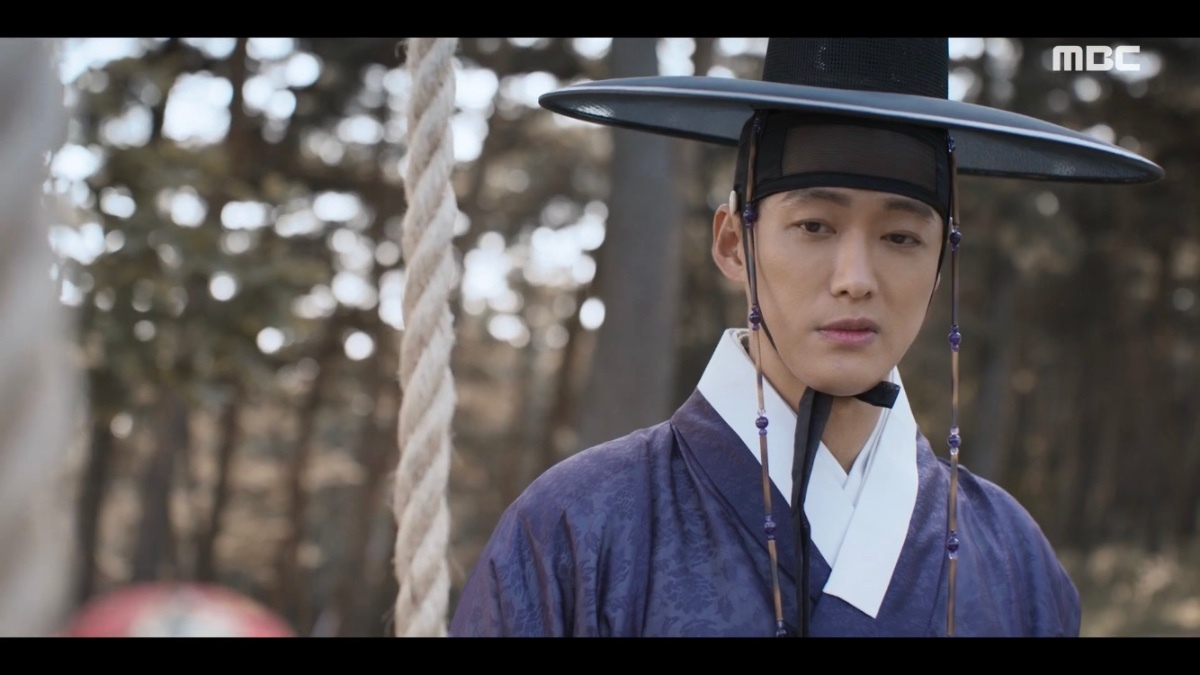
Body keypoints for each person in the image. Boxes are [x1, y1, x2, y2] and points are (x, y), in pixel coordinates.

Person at [449, 38, 1163, 637]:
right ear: (733, 244)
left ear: (941, 262)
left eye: (901, 236)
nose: (855, 278)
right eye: (814, 226)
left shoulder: (1014, 557)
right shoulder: (580, 525)